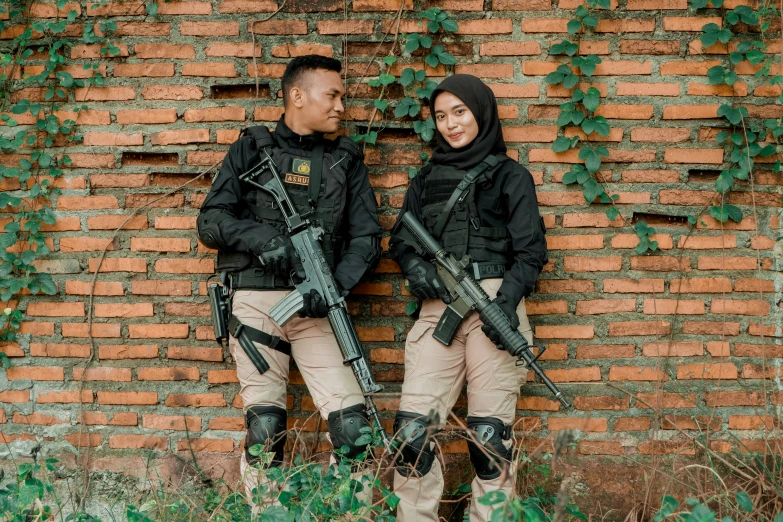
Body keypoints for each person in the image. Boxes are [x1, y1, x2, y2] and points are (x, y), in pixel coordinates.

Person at [196, 55, 382, 509]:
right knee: (266, 428)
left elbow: (367, 237)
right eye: (333, 94)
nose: (342, 105)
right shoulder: (252, 148)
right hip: (257, 304)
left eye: (343, 96)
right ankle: (268, 513)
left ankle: (352, 514)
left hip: (318, 307)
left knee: (354, 428)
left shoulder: (345, 159)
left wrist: (333, 286)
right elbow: (210, 221)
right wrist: (260, 238)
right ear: (297, 95)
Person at [388, 74, 548, 521]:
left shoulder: (511, 176)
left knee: (488, 439)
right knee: (412, 434)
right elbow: (401, 240)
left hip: (496, 303)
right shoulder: (425, 179)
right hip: (440, 307)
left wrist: (506, 302)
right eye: (441, 116)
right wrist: (415, 268)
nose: (451, 124)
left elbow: (531, 251)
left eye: (459, 112)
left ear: (481, 112)